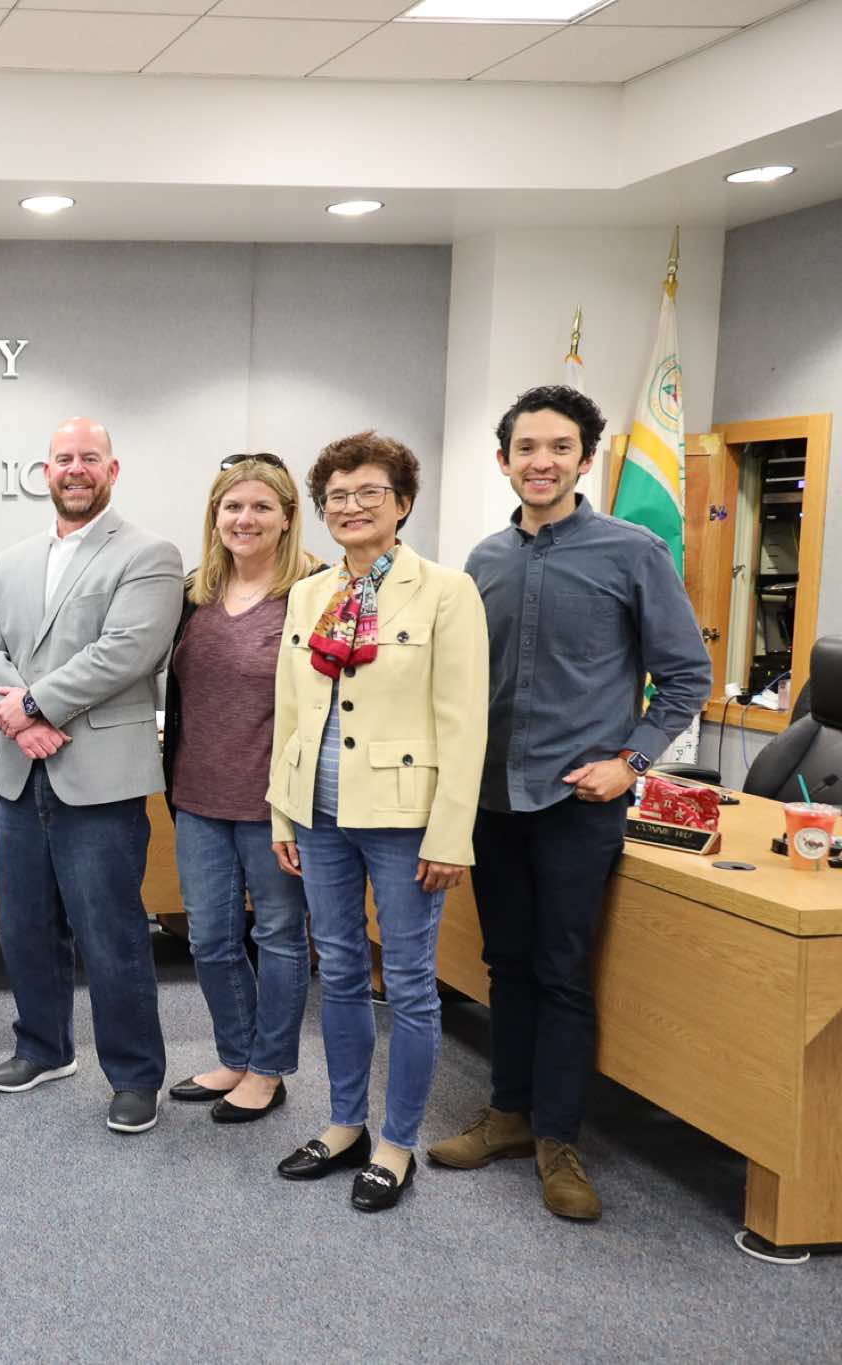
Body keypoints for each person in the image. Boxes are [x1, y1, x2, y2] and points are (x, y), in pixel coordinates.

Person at [428, 385, 710, 1221]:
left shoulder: (633, 552)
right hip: (492, 799)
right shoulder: (483, 560)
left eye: (559, 447)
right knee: (506, 964)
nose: (541, 461)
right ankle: (508, 1114)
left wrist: (631, 761)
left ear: (586, 459)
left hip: (576, 805)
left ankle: (559, 1137)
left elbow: (686, 674)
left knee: (561, 972)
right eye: (526, 447)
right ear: (504, 459)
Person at [268, 431, 488, 1213]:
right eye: (337, 495)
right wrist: (283, 812)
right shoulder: (309, 593)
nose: (351, 506)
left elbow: (464, 721)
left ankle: (396, 1141)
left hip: (405, 819)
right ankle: (344, 1124)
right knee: (338, 971)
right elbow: (289, 711)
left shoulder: (446, 591)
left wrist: (450, 833)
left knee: (410, 981)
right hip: (319, 812)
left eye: (369, 492)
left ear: (402, 503)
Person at [0, 417, 183, 1135]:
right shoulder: (12, 560)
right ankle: (43, 1046)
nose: (76, 468)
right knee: (27, 926)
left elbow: (128, 651)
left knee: (110, 933)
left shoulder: (149, 554)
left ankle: (135, 1075)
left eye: (90, 457)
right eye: (64, 458)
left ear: (112, 470)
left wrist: (33, 703)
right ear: (46, 471)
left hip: (100, 777)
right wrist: (21, 721)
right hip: (19, 773)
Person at [162, 454, 318, 1123]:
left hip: (273, 804)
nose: (244, 519)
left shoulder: (313, 591)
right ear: (215, 515)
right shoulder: (193, 593)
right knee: (209, 938)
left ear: (287, 517)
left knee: (279, 935)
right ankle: (236, 1053)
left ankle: (268, 1068)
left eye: (260, 506)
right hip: (197, 795)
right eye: (232, 506)